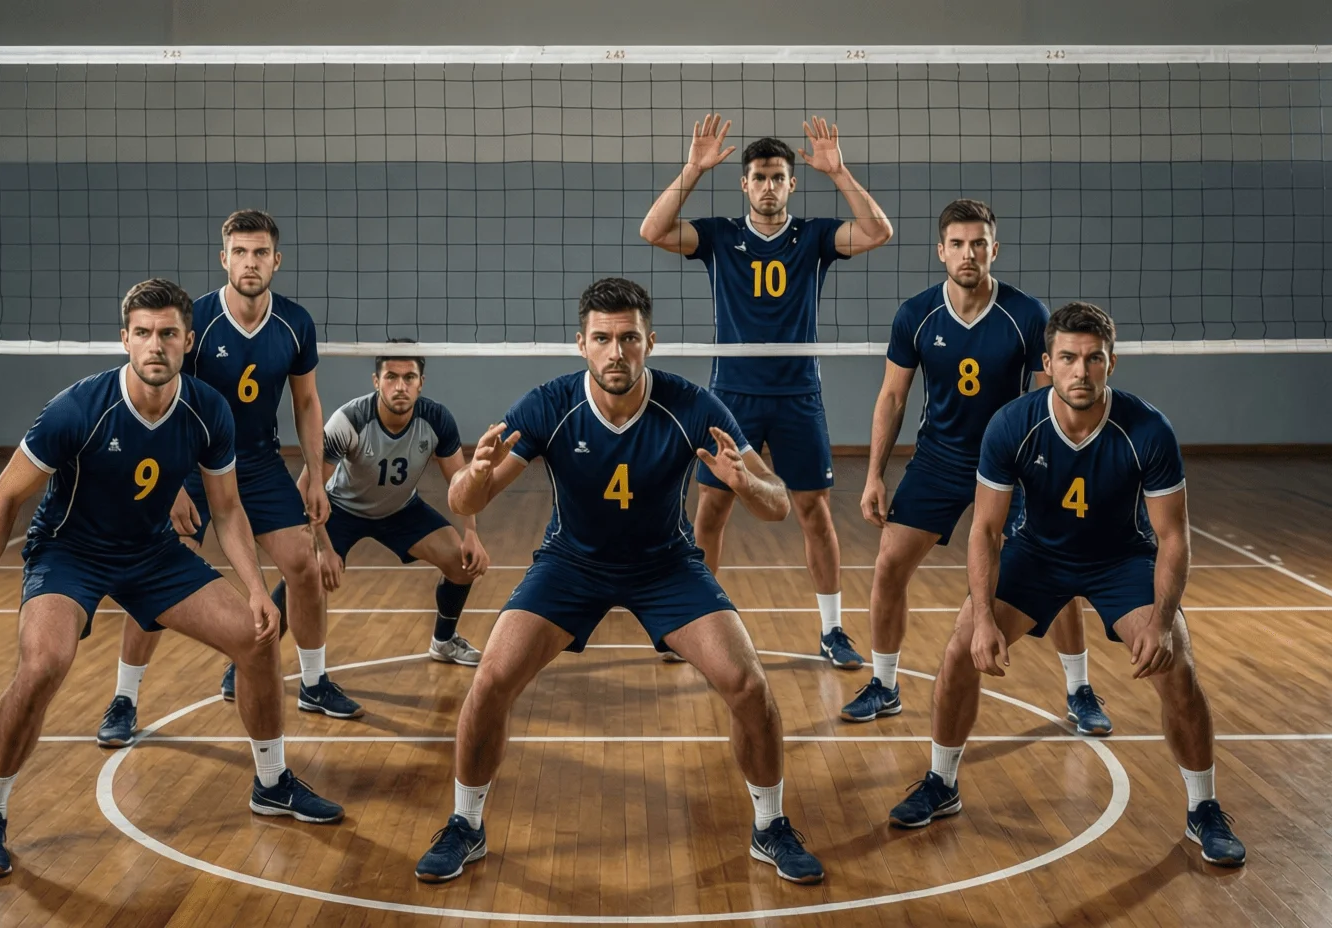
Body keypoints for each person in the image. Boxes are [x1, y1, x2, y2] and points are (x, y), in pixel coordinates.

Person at [413, 278, 824, 885]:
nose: (616, 352)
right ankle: (465, 825)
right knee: (491, 679)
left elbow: (779, 505)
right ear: (580, 344)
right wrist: (474, 475)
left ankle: (770, 827)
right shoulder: (550, 405)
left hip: (666, 565)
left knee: (748, 684)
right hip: (570, 565)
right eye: (602, 339)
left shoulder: (692, 406)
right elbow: (463, 495)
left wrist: (745, 483)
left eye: (628, 338)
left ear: (649, 342)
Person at [0, 279, 342, 880]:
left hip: (152, 553)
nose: (154, 345)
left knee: (257, 635)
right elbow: (2, 499)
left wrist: (258, 589)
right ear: (124, 339)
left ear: (189, 341)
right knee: (43, 666)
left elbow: (229, 509)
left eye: (167, 334)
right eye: (142, 333)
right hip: (69, 553)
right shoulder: (79, 408)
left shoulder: (208, 410)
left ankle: (272, 782)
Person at [888, 302, 1246, 868]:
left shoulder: (1146, 429)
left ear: (1112, 363)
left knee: (1176, 662)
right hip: (1037, 555)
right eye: (1068, 358)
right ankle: (943, 781)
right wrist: (982, 618)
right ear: (1048, 363)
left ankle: (1204, 808)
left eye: (1093, 359)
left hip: (1120, 558)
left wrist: (1159, 620)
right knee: (959, 648)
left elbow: (1172, 538)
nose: (1081, 371)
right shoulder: (1013, 423)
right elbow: (984, 529)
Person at [847, 199, 1112, 737]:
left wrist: (1050, 480)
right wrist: (875, 474)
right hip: (939, 460)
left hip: (1013, 466)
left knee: (1054, 574)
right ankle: (885, 683)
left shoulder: (1026, 314)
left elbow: (1048, 404)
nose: (968, 254)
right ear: (941, 250)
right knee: (889, 564)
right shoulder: (915, 314)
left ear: (994, 249)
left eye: (978, 244)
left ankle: (1079, 689)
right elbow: (893, 398)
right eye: (958, 244)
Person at [639, 114, 892, 668]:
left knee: (813, 512)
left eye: (779, 177)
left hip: (798, 393)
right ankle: (692, 620)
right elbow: (652, 231)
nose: (769, 186)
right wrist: (692, 168)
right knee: (711, 509)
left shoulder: (816, 238)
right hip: (732, 394)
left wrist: (840, 171)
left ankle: (831, 629)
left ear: (791, 184)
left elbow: (877, 232)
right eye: (760, 176)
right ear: (745, 183)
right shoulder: (720, 236)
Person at [95, 209, 350, 749]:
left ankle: (312, 681)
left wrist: (312, 475)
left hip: (256, 462)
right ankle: (124, 698)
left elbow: (306, 402)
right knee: (153, 574)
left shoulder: (294, 323)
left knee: (303, 563)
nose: (250, 262)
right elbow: (164, 404)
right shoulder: (198, 322)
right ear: (224, 258)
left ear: (276, 261)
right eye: (240, 252)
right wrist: (166, 495)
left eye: (260, 253)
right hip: (187, 465)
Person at [267, 340, 488, 669]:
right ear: (376, 380)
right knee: (305, 574)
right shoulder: (350, 419)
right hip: (340, 510)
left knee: (461, 562)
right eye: (391, 377)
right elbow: (306, 488)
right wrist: (322, 547)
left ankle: (443, 641)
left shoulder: (437, 419)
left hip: (400, 510)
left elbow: (461, 485)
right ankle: (248, 663)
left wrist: (471, 532)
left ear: (421, 383)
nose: (400, 386)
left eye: (409, 377)